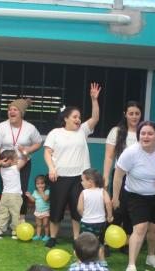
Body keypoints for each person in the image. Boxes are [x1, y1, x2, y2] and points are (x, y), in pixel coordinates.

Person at [112, 121, 155, 271]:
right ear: (138, 135)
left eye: (150, 133)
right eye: (143, 133)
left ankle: (151, 256)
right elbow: (118, 176)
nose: (146, 136)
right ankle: (131, 265)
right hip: (135, 195)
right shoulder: (130, 153)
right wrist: (115, 198)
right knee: (140, 228)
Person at [43, 82, 102, 248]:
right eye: (75, 117)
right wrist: (51, 168)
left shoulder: (82, 130)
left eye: (79, 117)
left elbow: (95, 118)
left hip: (80, 178)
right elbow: (47, 152)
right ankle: (53, 237)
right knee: (57, 208)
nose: (78, 119)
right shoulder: (55, 133)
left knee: (78, 209)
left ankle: (77, 238)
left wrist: (94, 99)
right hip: (60, 177)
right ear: (66, 118)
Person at [0, 98, 43, 223]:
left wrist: (28, 149)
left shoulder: (30, 128)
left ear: (21, 113)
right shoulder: (1, 127)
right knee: (5, 189)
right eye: (9, 109)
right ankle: (5, 217)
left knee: (21, 189)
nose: (11, 112)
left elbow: (38, 143)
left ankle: (21, 217)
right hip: (5, 163)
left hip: (23, 163)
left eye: (15, 110)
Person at [103, 101, 142, 240]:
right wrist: (106, 177)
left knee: (132, 211)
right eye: (131, 113)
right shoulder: (116, 131)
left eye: (137, 113)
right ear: (125, 114)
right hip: (120, 177)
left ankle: (126, 242)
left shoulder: (144, 132)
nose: (134, 116)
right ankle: (108, 241)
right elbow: (109, 157)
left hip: (138, 178)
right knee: (116, 208)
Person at [0, 149, 28, 239]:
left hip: (5, 195)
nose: (18, 159)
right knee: (15, 215)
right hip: (15, 196)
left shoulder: (2, 169)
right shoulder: (16, 168)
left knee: (2, 214)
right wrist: (23, 151)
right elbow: (25, 159)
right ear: (10, 160)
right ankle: (15, 232)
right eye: (16, 158)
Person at [77, 168, 113, 261]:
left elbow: (79, 208)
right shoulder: (103, 191)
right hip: (100, 223)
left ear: (90, 182)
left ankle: (80, 261)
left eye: (83, 180)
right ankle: (102, 261)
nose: (81, 182)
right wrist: (109, 216)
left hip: (86, 222)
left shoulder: (84, 193)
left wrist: (83, 215)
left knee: (82, 242)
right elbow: (108, 203)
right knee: (100, 243)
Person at [24, 174, 50, 241]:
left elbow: (45, 199)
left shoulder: (47, 191)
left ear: (45, 184)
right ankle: (38, 235)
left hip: (45, 211)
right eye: (38, 184)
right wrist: (30, 196)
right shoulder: (35, 192)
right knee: (38, 224)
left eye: (42, 183)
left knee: (45, 224)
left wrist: (41, 192)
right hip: (37, 211)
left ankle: (47, 236)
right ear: (36, 185)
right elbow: (33, 200)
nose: (40, 185)